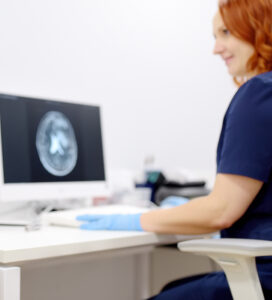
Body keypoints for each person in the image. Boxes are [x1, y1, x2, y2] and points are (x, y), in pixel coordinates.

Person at [77, 0, 272, 298]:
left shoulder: (259, 94)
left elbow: (221, 212)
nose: (216, 48)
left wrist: (134, 220)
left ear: (260, 27)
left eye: (226, 32)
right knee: (171, 288)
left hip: (264, 278)